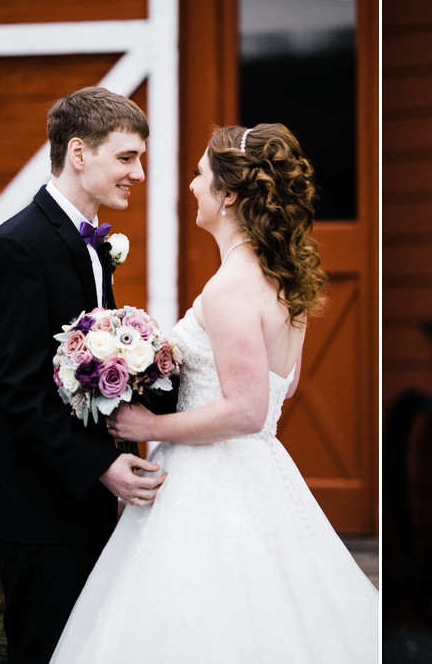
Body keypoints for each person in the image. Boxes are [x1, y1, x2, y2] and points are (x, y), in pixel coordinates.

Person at [50, 123, 380, 662]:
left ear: (228, 194)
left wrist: (148, 426)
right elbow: (282, 387)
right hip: (257, 472)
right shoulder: (278, 279)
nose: (192, 186)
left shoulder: (231, 287)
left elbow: (248, 411)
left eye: (201, 175)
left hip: (208, 481)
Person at [0, 87, 168, 663]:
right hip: (40, 510)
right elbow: (14, 386)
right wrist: (100, 466)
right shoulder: (18, 246)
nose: (138, 172)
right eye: (127, 157)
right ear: (79, 153)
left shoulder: (91, 244)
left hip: (82, 506)